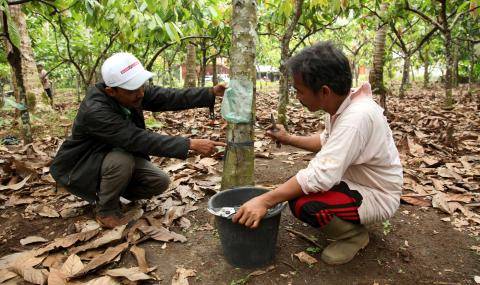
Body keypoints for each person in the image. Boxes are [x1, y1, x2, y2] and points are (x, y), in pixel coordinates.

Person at [232, 42, 403, 265]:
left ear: (324, 91)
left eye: (300, 91)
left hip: (377, 194)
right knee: (297, 189)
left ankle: (353, 236)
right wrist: (287, 138)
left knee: (303, 203)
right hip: (354, 182)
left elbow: (320, 175)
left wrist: (264, 201)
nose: (297, 96)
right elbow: (326, 142)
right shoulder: (342, 106)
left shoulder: (356, 118)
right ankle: (348, 221)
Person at [50, 52, 226, 228]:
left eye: (142, 87)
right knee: (121, 160)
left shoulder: (130, 91)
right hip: (82, 166)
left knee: (159, 181)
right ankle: (106, 210)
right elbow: (137, 139)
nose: (141, 94)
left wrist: (209, 92)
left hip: (109, 159)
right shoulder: (96, 111)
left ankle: (111, 192)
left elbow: (167, 96)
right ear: (111, 91)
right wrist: (190, 144)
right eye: (133, 91)